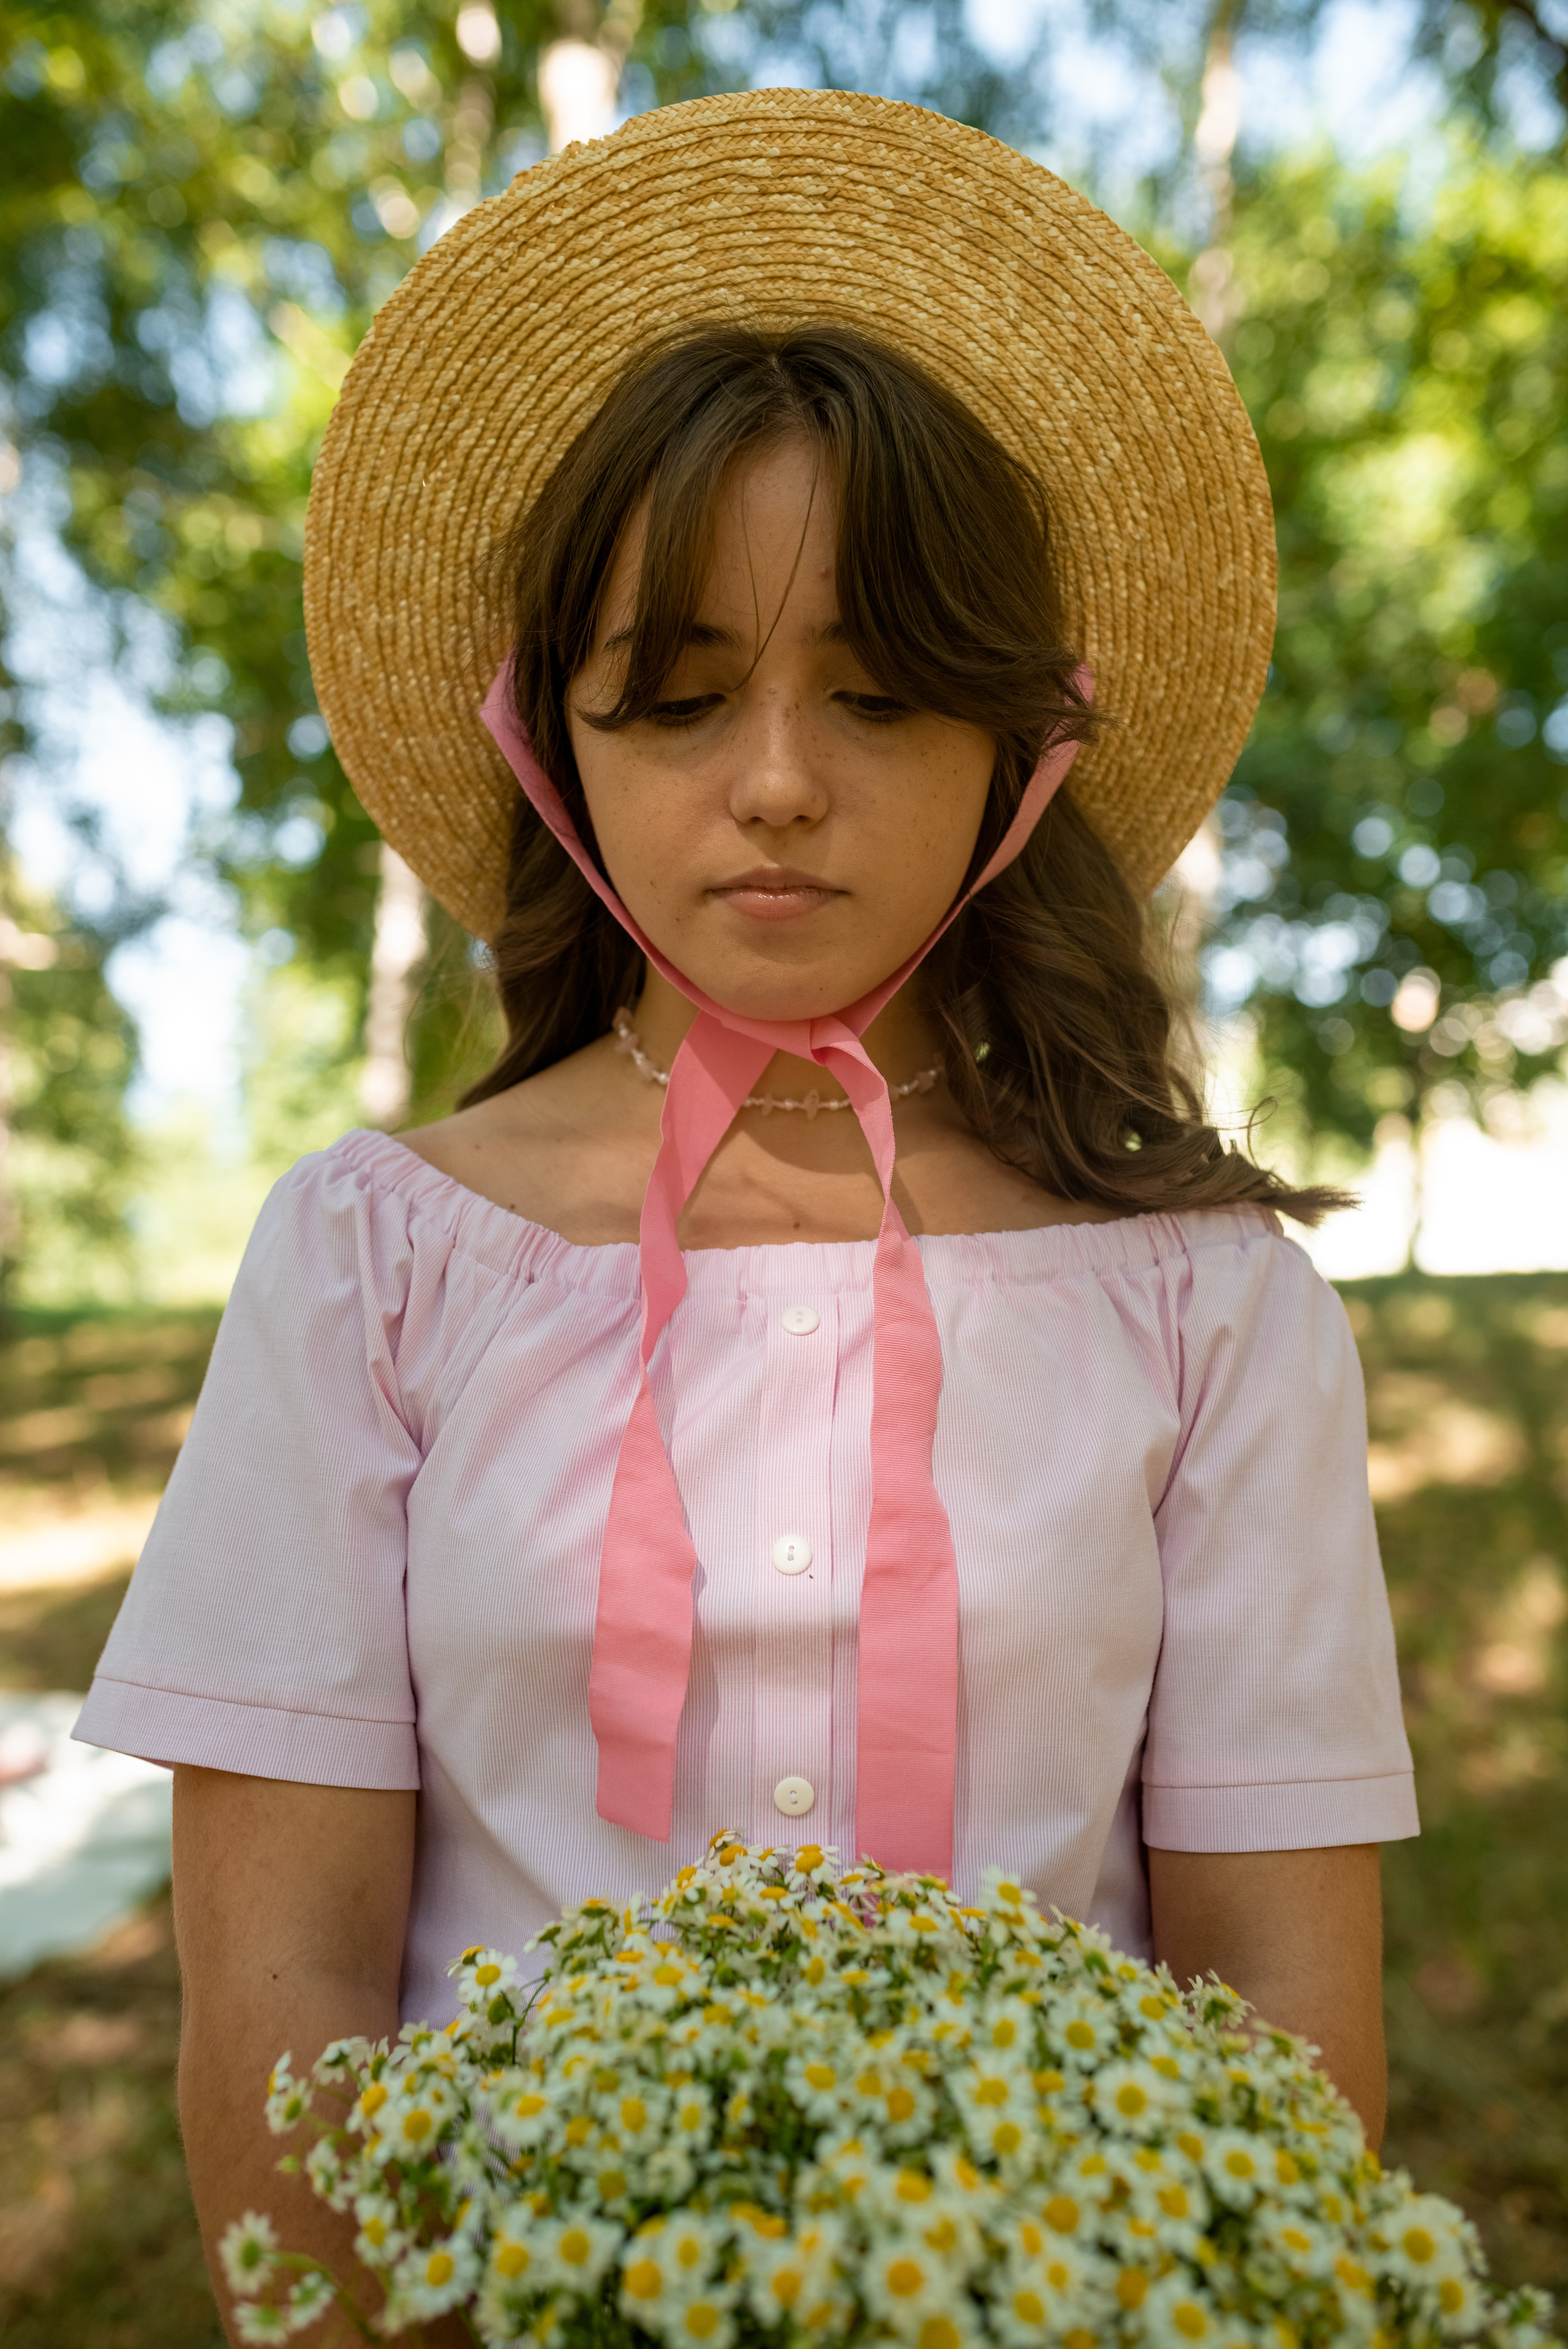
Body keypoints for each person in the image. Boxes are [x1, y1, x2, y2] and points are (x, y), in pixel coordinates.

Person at [76, 89, 1416, 2343]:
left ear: (1024, 748)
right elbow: (284, 1998)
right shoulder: (378, 1263)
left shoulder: (1209, 1308)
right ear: (552, 739)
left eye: (880, 691)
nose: (778, 778)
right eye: (677, 693)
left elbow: (1287, 2009)